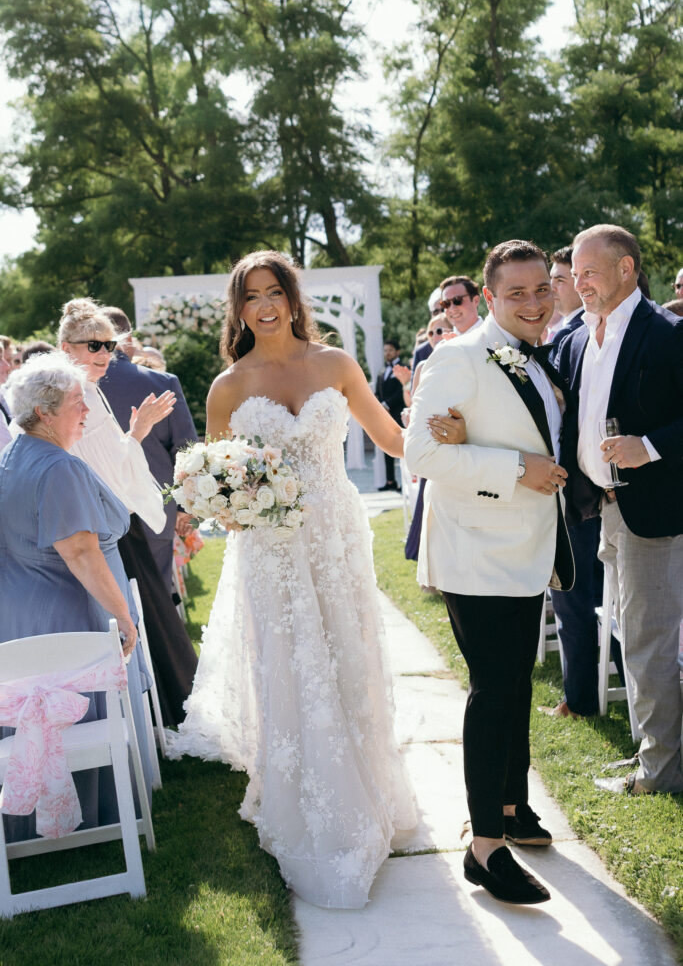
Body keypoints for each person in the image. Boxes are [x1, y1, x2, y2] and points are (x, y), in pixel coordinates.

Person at [169, 249, 430, 909]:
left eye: (273, 291)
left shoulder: (336, 365)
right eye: (251, 295)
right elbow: (215, 482)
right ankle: (313, 813)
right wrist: (236, 505)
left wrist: (440, 422)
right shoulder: (228, 386)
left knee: (347, 659)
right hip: (270, 549)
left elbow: (393, 440)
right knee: (292, 669)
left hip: (336, 537)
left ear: (291, 297)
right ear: (239, 307)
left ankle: (368, 796)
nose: (264, 305)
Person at [405, 239, 574, 906]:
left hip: (526, 548)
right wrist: (514, 470)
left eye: (541, 289)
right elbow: (421, 451)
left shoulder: (534, 354)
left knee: (514, 686)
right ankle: (483, 848)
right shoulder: (457, 355)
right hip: (477, 552)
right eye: (516, 294)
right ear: (489, 297)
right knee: (493, 691)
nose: (532, 302)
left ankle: (512, 809)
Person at [0, 352, 154, 841]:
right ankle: (88, 825)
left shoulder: (11, 457)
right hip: (66, 621)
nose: (85, 410)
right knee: (79, 725)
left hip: (21, 620)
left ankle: (38, 827)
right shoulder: (57, 467)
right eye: (75, 402)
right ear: (44, 412)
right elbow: (83, 551)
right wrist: (123, 616)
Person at [557, 224, 683, 795]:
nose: (577, 282)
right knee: (630, 634)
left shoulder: (667, 334)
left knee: (646, 639)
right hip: (602, 505)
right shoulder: (579, 336)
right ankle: (650, 754)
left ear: (627, 269)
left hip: (654, 511)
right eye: (575, 273)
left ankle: (659, 772)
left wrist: (648, 447)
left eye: (588, 271)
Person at [58, 298, 197, 726]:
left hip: (116, 520)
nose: (105, 354)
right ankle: (157, 717)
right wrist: (137, 431)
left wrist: (135, 433)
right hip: (102, 526)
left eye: (110, 345)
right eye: (94, 346)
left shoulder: (89, 388)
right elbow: (99, 468)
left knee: (150, 616)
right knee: (142, 619)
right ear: (67, 349)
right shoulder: (74, 391)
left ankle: (160, 715)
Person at [545, 246, 604, 718]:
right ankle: (582, 690)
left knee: (577, 590)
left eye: (558, 279)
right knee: (577, 591)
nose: (560, 286)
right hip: (570, 484)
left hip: (583, 487)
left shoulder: (581, 332)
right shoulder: (560, 335)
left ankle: (581, 694)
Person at [99, 306, 198, 592]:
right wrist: (183, 506)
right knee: (155, 595)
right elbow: (185, 449)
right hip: (156, 505)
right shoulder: (162, 382)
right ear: (127, 338)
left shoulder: (78, 385)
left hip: (100, 508)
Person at [404, 313, 459, 562]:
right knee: (430, 507)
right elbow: (416, 404)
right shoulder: (422, 367)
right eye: (431, 333)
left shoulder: (460, 361)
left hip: (456, 440)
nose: (436, 336)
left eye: (441, 331)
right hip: (430, 439)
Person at [374, 338, 405, 491]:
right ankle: (391, 481)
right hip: (385, 416)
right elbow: (377, 393)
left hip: (400, 414)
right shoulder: (381, 371)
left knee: (404, 448)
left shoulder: (404, 368)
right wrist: (378, 406)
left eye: (390, 350)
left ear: (397, 351)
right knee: (386, 447)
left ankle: (406, 483)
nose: (387, 353)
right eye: (385, 350)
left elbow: (402, 391)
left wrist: (386, 404)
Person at [547, 247, 584, 352]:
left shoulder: (575, 332)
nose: (551, 287)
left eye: (560, 280)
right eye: (551, 278)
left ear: (579, 283)